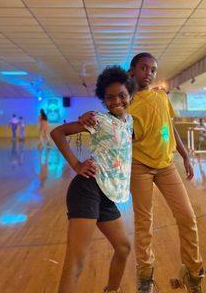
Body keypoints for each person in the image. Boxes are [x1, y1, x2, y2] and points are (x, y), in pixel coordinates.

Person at [80, 53, 205, 293]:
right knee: (144, 223)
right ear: (132, 71)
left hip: (166, 166)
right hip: (139, 167)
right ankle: (145, 277)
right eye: (143, 67)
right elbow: (111, 125)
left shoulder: (161, 96)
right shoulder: (126, 101)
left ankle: (192, 273)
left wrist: (185, 155)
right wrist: (88, 118)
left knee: (188, 218)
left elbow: (169, 127)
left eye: (153, 69)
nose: (148, 72)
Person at [51, 66, 135, 293]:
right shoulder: (97, 120)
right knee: (76, 261)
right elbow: (57, 133)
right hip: (87, 189)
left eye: (122, 95)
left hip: (107, 194)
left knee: (124, 247)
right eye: (109, 97)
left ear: (130, 96)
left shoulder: (130, 122)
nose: (116, 100)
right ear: (103, 99)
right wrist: (76, 165)